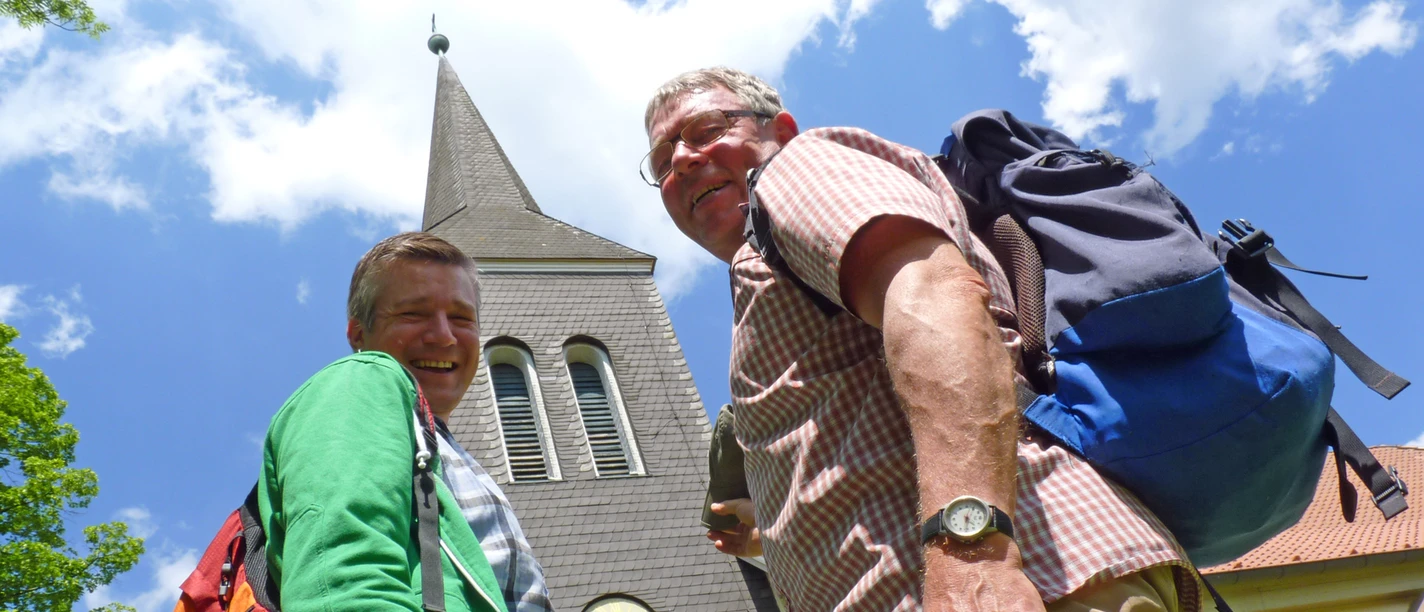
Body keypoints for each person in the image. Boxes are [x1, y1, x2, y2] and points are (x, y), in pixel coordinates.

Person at [643, 68, 1212, 612]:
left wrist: (972, 549)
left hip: (1033, 583)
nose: (684, 162)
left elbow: (938, 296)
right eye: (662, 162)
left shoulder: (794, 172)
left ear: (780, 131)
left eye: (707, 131)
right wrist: (773, 534)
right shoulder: (768, 264)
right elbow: (867, 457)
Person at [259, 232, 551, 611]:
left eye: (461, 318)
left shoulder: (440, 453)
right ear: (358, 333)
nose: (445, 336)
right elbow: (346, 582)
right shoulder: (362, 381)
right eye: (414, 313)